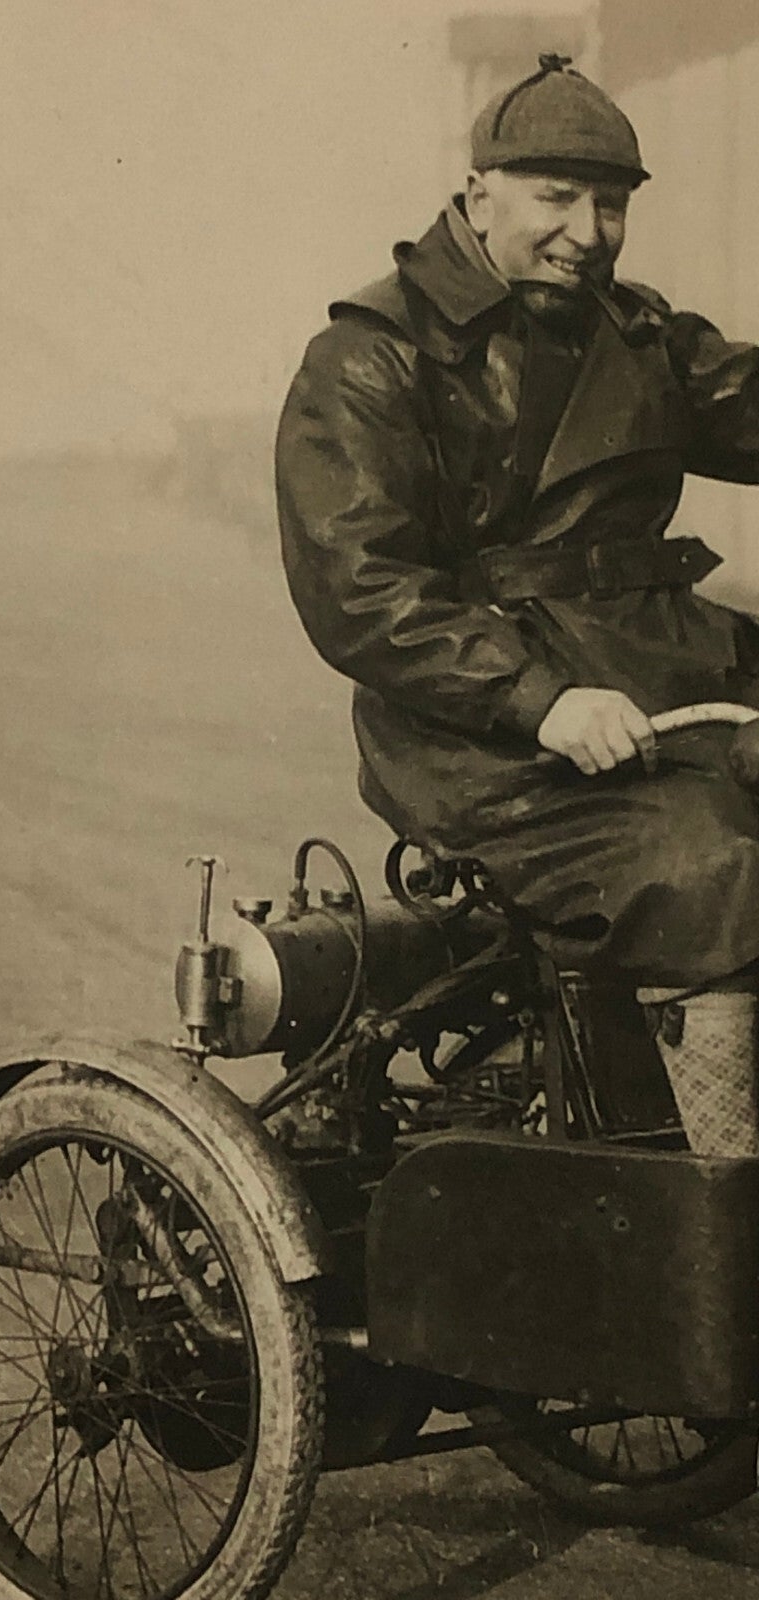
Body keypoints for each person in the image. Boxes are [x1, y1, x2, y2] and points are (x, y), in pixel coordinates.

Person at [276, 56, 759, 1157]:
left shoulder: (632, 335)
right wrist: (538, 700)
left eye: (611, 203)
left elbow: (747, 399)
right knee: (722, 869)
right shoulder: (369, 357)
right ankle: (724, 1191)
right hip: (484, 745)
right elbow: (359, 587)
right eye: (555, 196)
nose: (585, 231)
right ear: (477, 189)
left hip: (661, 689)